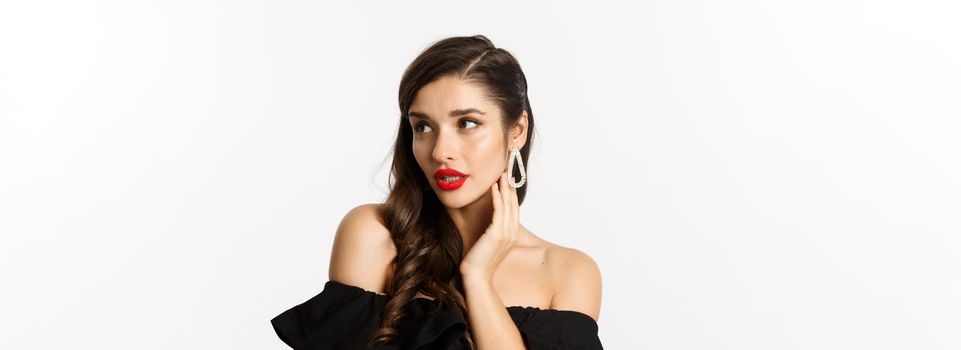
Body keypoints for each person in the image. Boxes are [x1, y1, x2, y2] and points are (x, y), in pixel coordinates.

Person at [270, 35, 603, 349]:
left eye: (467, 123)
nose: (441, 151)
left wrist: (477, 278)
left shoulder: (569, 272)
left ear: (516, 131)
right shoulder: (374, 234)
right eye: (423, 127)